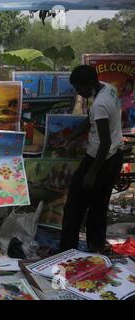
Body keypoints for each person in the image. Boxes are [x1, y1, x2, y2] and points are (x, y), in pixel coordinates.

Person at [59, 65, 124, 254]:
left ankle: (66, 250)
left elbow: (105, 142)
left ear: (89, 83)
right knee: (98, 205)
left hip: (101, 159)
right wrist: (70, 138)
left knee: (74, 206)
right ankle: (95, 246)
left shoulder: (100, 103)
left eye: (79, 89)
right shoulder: (107, 88)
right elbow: (91, 120)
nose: (79, 93)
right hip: (114, 156)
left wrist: (91, 174)